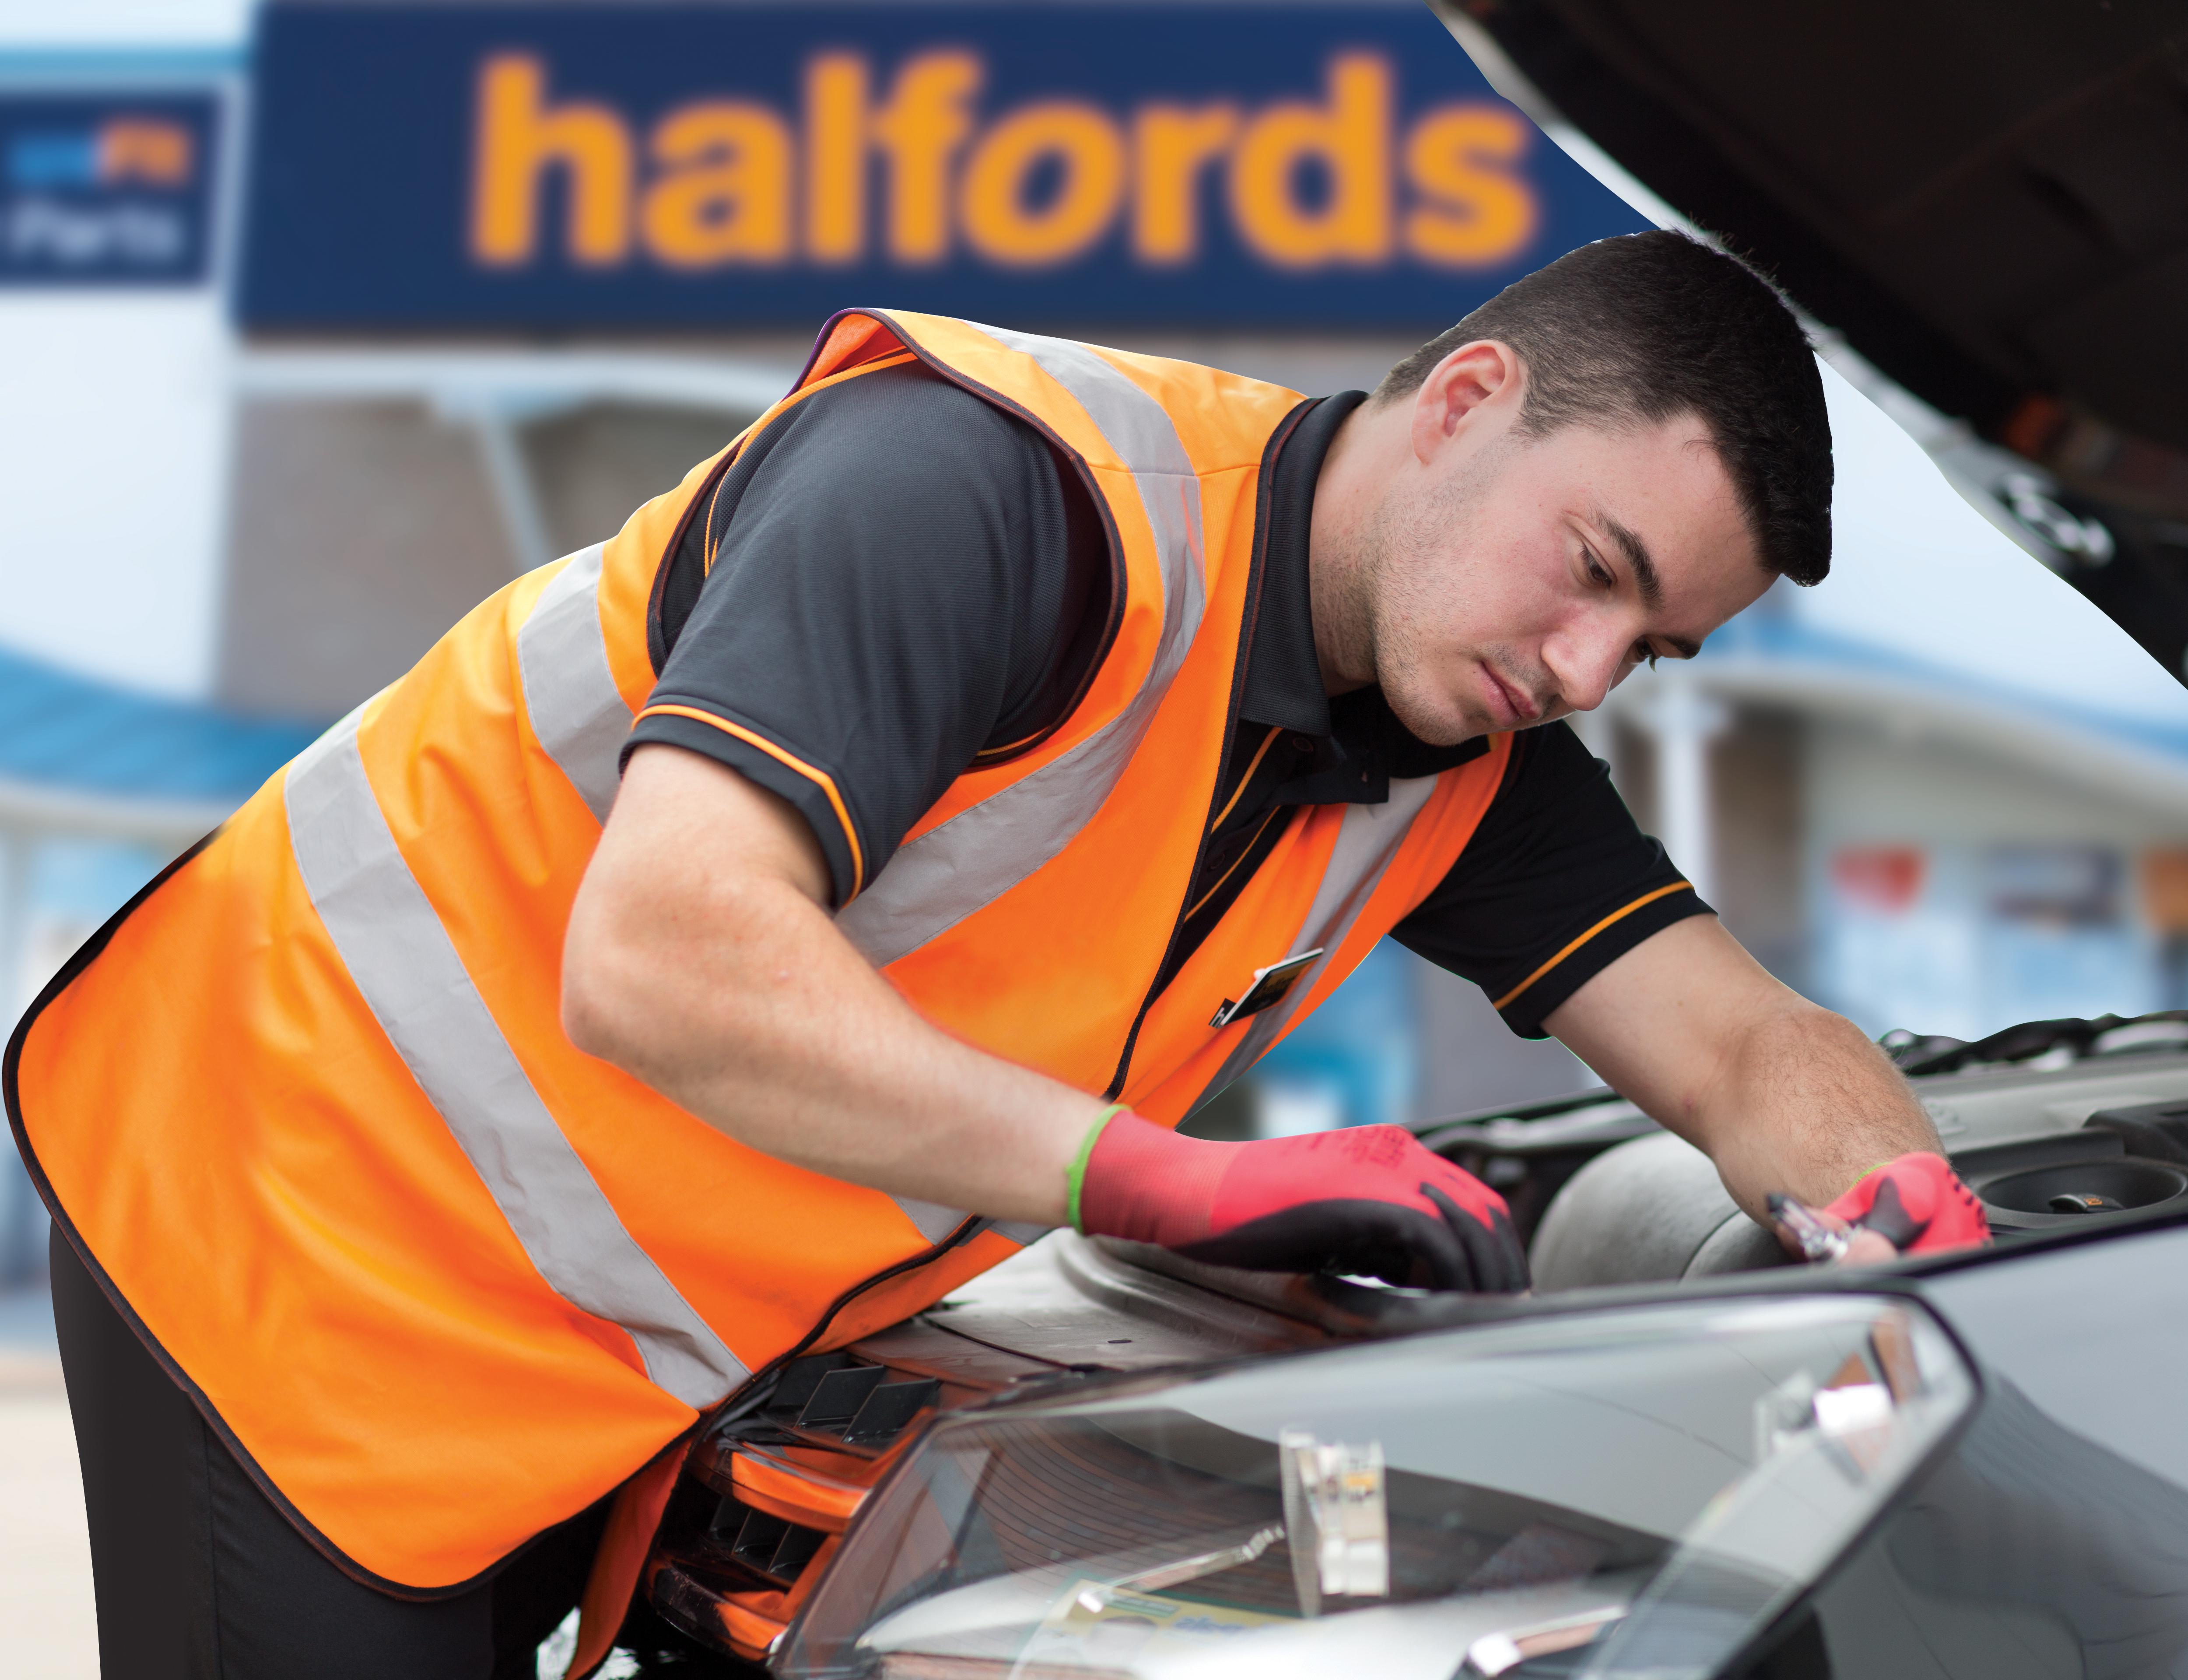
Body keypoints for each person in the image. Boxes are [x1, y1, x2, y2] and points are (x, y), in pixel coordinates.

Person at [9, 230, 1985, 1678]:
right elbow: (662, 956)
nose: (1578, 671)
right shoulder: (990, 497)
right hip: (299, 1221)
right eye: (1593, 571)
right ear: (1463, 403)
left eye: (1646, 652)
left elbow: (1740, 1049)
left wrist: (1925, 1236)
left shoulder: (1460, 736)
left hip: (628, 1346)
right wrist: (1181, 1184)